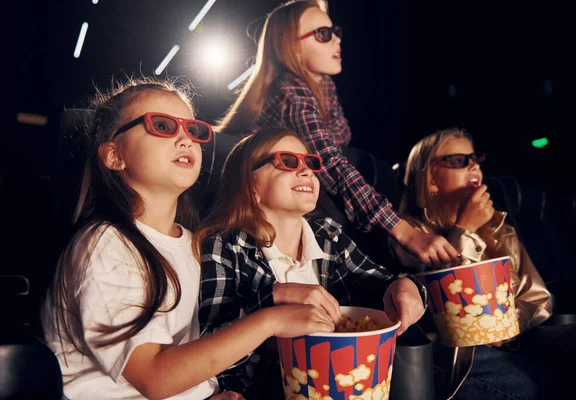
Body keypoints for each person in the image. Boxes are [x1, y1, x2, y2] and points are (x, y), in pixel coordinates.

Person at [42, 77, 335, 400]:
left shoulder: (196, 245)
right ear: (114, 155)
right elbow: (154, 377)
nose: (185, 139)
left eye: (193, 130)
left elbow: (196, 357)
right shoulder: (104, 245)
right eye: (163, 126)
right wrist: (270, 320)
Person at [214, 0, 458, 268]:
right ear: (290, 45)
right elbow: (331, 162)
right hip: (255, 211)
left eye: (335, 32)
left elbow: (338, 144)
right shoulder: (291, 93)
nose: (337, 41)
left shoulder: (322, 86)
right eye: (323, 34)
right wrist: (405, 232)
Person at [194, 127, 428, 399]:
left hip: (347, 382)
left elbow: (383, 282)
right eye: (288, 161)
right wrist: (272, 300)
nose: (306, 171)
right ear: (249, 184)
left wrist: (406, 286)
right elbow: (209, 350)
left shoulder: (329, 236)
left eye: (310, 163)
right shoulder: (224, 246)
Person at [388, 127, 576, 399]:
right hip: (461, 357)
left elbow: (538, 298)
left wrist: (510, 323)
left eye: (475, 159)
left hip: (522, 340)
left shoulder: (500, 230)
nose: (474, 165)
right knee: (546, 385)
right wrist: (465, 231)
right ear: (430, 179)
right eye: (459, 160)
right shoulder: (408, 235)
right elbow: (444, 308)